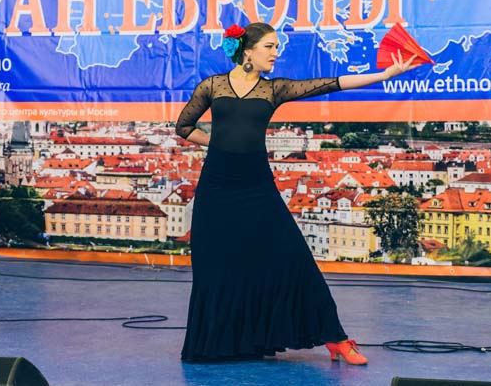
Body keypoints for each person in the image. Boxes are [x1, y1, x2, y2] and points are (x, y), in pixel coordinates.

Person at [175, 22, 419, 364]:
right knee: (215, 265)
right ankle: (221, 343)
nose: (276, 53)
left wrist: (385, 75)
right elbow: (183, 127)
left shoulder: (274, 89)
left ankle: (336, 338)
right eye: (270, 46)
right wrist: (218, 144)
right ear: (248, 51)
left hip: (256, 186)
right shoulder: (212, 86)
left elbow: (332, 83)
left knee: (294, 258)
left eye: (277, 47)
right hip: (216, 187)